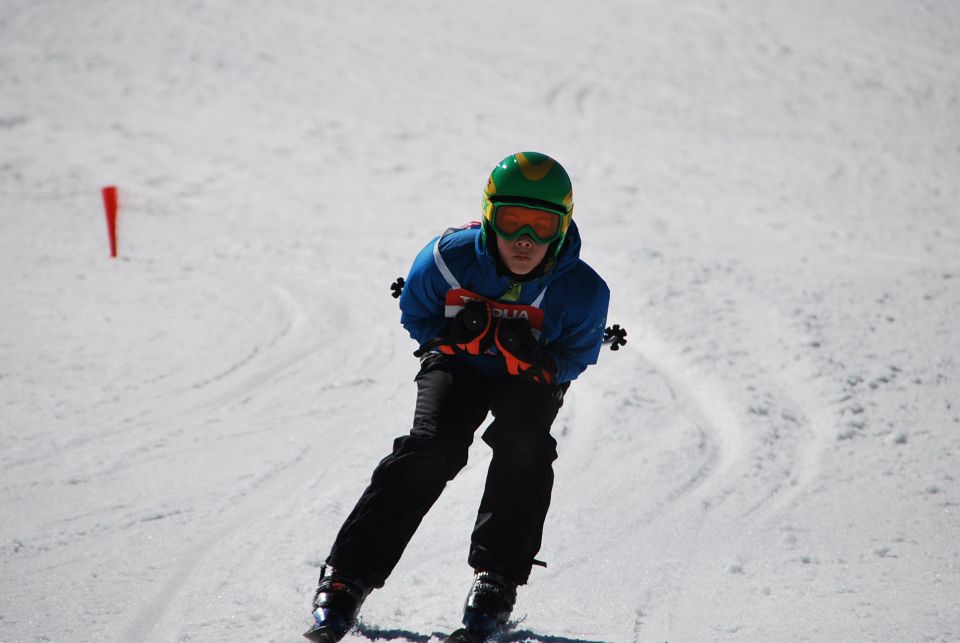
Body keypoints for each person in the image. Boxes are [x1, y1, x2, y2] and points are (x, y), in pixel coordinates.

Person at [305, 152, 610, 643]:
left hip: (527, 378)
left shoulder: (582, 291)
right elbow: (416, 311)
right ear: (490, 217)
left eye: (542, 225)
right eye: (512, 222)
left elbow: (577, 352)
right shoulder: (447, 259)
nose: (525, 240)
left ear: (563, 226)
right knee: (433, 447)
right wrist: (452, 340)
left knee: (523, 445)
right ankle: (347, 575)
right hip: (457, 365)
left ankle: (497, 579)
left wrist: (539, 362)